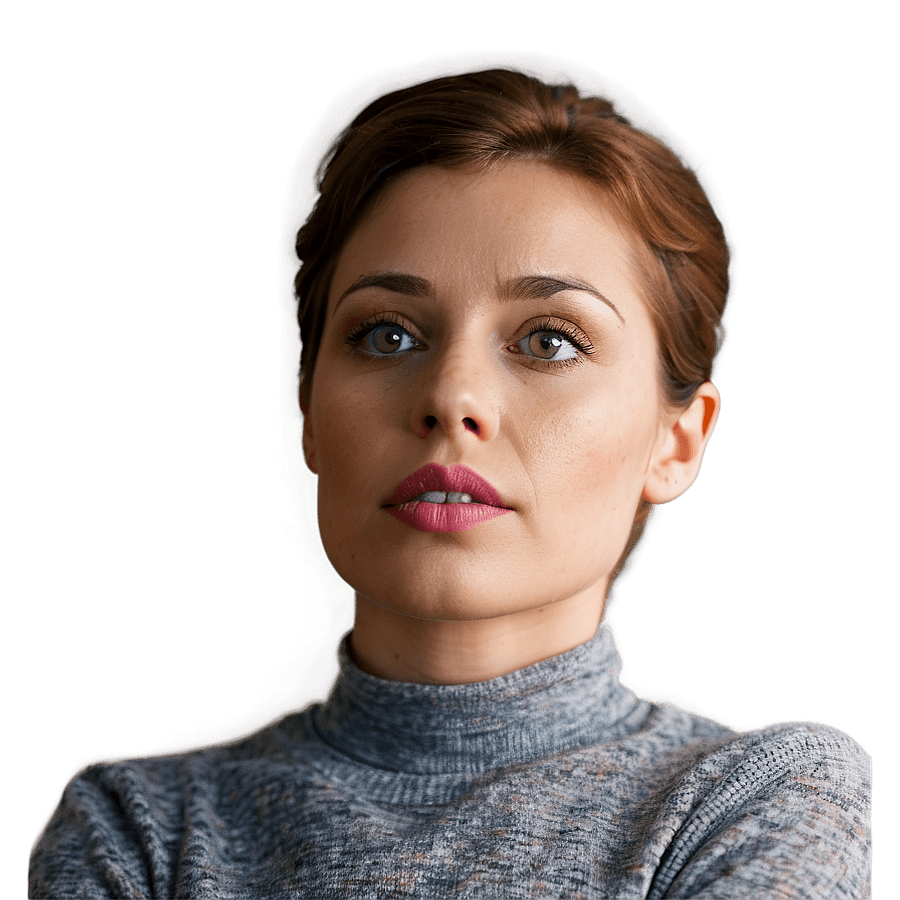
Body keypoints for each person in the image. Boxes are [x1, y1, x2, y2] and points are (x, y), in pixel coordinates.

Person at [28, 52, 871, 899]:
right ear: (308, 414)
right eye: (387, 335)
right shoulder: (135, 830)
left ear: (677, 441)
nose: (450, 397)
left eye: (549, 341)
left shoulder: (757, 800)